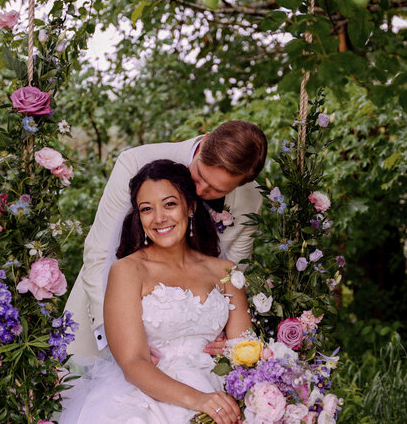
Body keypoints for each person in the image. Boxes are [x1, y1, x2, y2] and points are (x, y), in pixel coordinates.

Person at [58, 160, 251, 423]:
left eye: (169, 204)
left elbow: (246, 350)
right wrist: (200, 400)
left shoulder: (226, 271)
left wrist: (230, 351)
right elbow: (133, 363)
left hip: (222, 386)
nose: (159, 218)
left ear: (191, 206)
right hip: (151, 395)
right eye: (146, 209)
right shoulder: (128, 271)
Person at [64, 120, 267, 358]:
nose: (200, 192)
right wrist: (118, 339)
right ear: (204, 142)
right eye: (200, 175)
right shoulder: (135, 162)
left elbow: (235, 278)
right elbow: (98, 254)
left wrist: (231, 342)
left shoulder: (251, 199)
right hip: (102, 327)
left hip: (198, 346)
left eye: (217, 190)